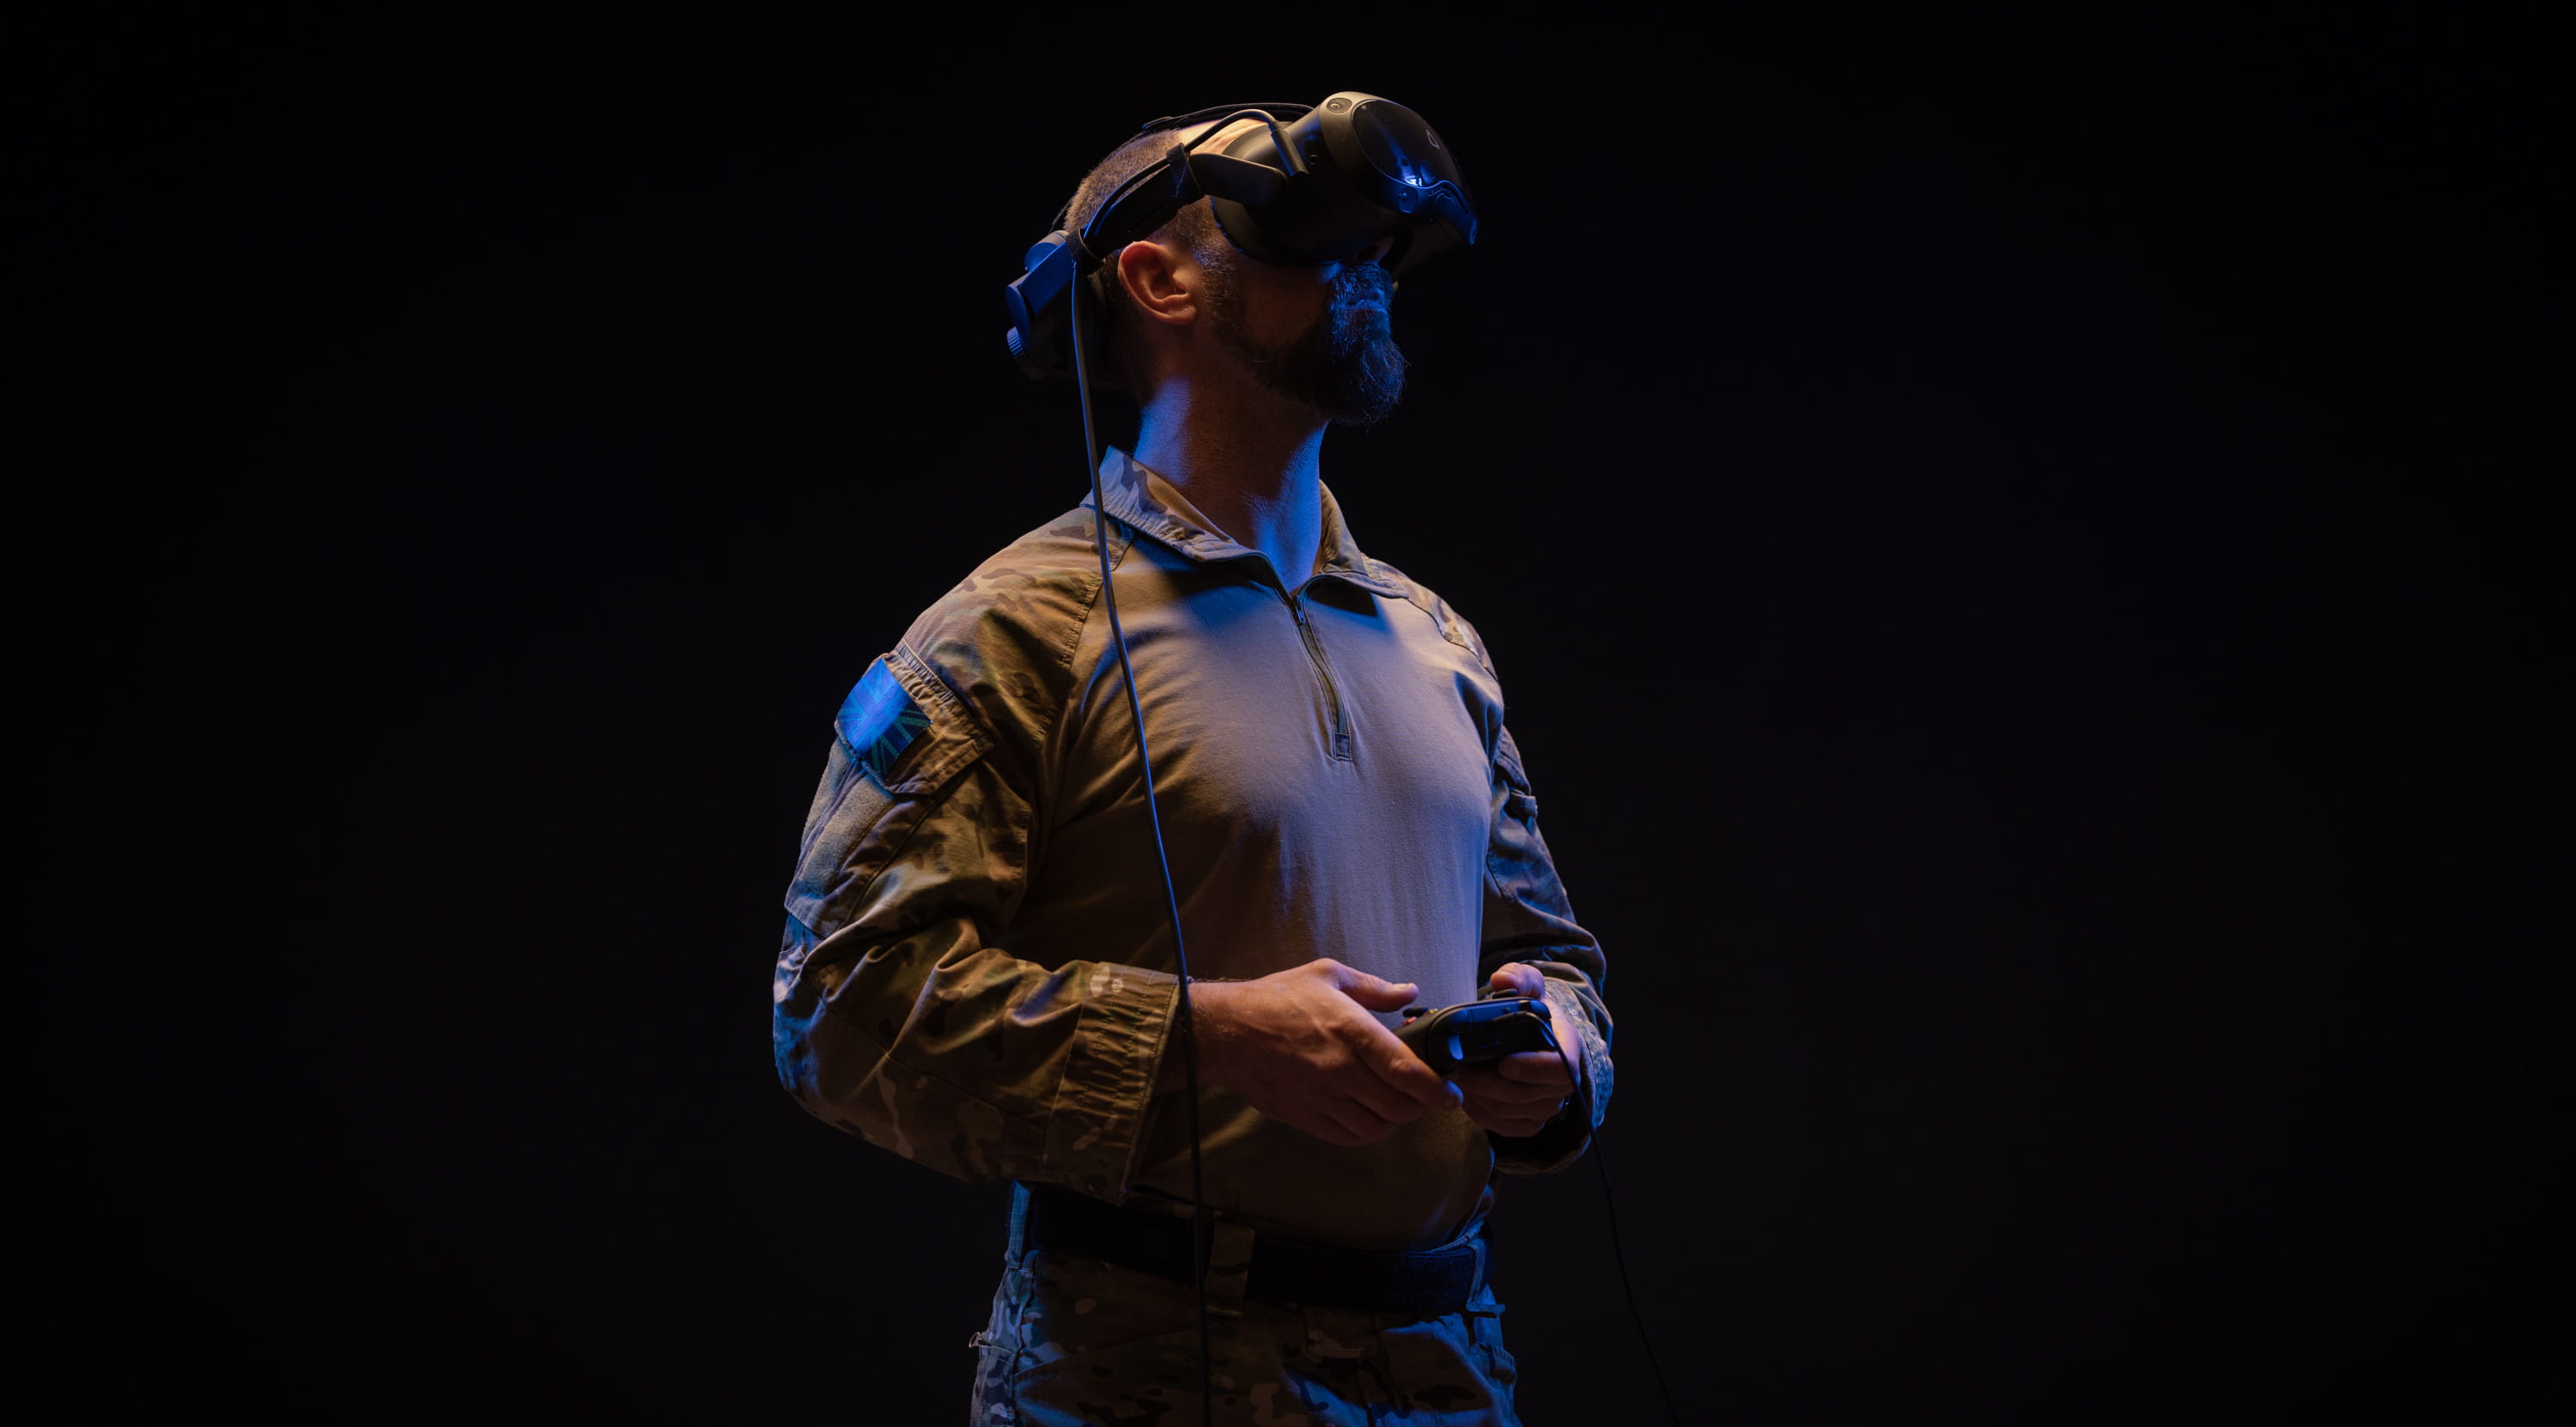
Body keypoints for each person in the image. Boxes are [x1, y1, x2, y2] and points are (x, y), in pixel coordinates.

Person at [771, 111, 1614, 1425]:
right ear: (1161, 280)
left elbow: (1555, 962)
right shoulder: (1013, 631)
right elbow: (839, 1009)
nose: (1367, 271)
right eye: (1315, 243)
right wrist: (1205, 1038)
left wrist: (1559, 1052)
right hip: (1150, 1371)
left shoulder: (1436, 639)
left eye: (1383, 252)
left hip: (1450, 1366)